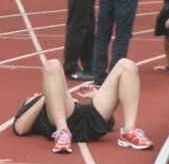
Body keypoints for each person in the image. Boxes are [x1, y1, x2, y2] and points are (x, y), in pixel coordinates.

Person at [12, 58, 153, 153]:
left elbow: (110, 124)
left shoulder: (68, 101)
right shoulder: (33, 104)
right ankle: (62, 132)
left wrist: (96, 97)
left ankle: (129, 131)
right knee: (52, 65)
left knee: (126, 64)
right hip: (65, 120)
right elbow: (20, 128)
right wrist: (43, 98)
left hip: (89, 119)